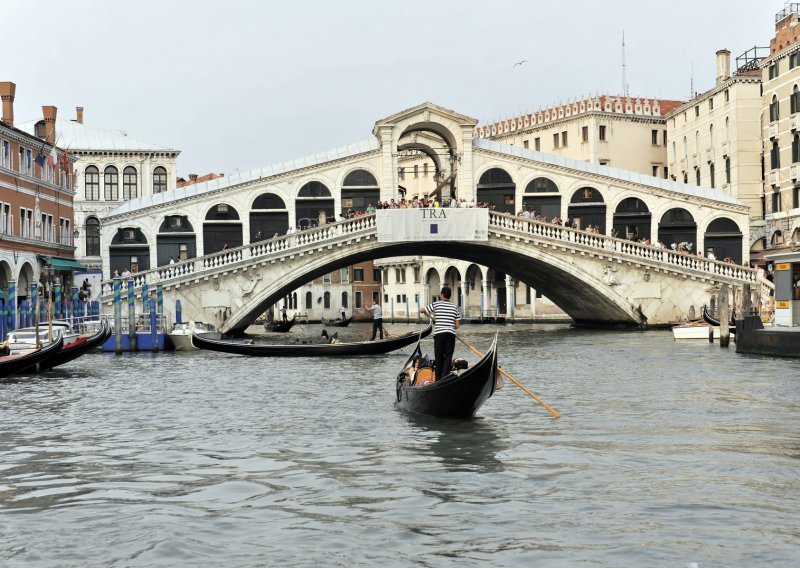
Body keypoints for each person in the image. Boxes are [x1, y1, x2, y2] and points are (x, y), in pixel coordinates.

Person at [420, 286, 461, 380]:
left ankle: (438, 379)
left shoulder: (436, 305)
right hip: (450, 334)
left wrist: (427, 313)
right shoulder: (455, 307)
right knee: (448, 356)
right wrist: (449, 326)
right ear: (449, 296)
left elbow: (421, 310)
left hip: (439, 335)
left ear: (442, 295)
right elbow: (457, 325)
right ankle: (445, 377)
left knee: (439, 356)